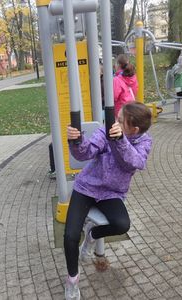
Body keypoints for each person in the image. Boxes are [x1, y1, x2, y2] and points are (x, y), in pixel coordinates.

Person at [63, 102, 153, 300]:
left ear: (134, 129)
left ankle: (92, 234)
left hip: (111, 193)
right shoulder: (106, 130)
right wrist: (77, 141)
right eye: (116, 117)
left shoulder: (144, 142)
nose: (114, 123)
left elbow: (135, 162)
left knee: (122, 225)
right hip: (86, 188)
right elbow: (86, 153)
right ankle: (72, 281)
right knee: (70, 236)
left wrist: (119, 140)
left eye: (120, 121)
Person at [113, 54, 138, 119]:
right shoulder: (133, 77)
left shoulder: (117, 79)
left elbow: (114, 96)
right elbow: (135, 90)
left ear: (118, 65)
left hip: (121, 110)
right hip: (131, 107)